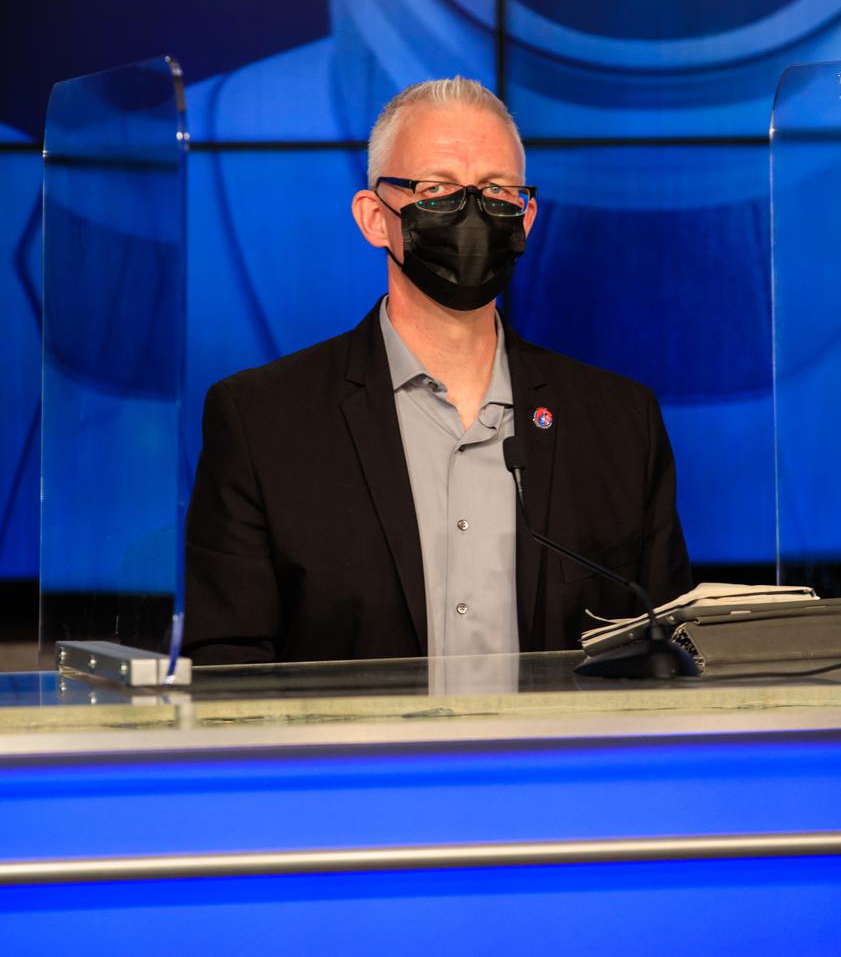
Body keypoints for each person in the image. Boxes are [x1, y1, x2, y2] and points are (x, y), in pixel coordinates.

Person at [183, 78, 691, 664]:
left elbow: (671, 650)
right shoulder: (263, 423)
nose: (471, 213)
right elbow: (227, 666)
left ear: (526, 219)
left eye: (497, 190)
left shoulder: (620, 426)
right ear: (375, 219)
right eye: (436, 188)